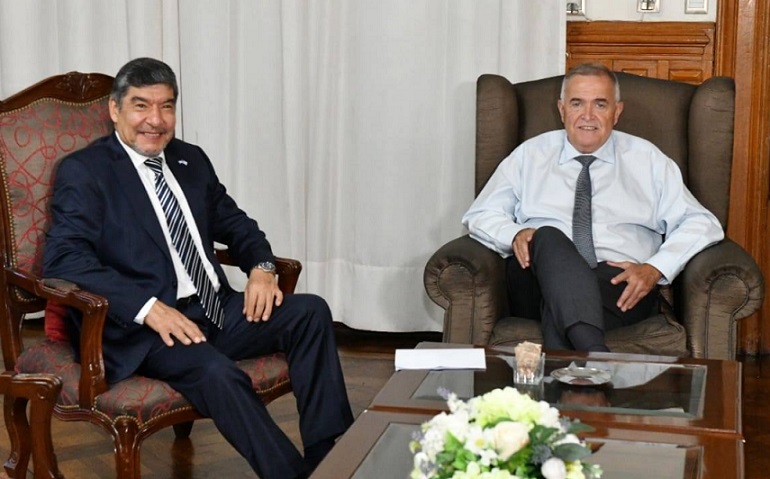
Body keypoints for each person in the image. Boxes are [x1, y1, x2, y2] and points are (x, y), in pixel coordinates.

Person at [43, 57, 353, 479]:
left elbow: (236, 224)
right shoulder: (86, 171)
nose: (155, 120)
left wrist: (262, 268)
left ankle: (329, 458)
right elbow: (64, 258)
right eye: (141, 106)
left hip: (214, 309)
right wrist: (148, 307)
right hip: (146, 330)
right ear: (115, 109)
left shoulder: (190, 160)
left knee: (310, 312)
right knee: (217, 373)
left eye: (166, 106)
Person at [462, 63, 724, 352]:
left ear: (617, 112)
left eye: (600, 104)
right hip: (536, 279)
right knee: (547, 235)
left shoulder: (648, 160)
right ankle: (598, 358)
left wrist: (654, 269)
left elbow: (701, 223)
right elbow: (480, 215)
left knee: (562, 303)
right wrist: (514, 234)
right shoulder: (529, 155)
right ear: (562, 109)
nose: (587, 115)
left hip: (618, 284)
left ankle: (585, 359)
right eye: (577, 103)